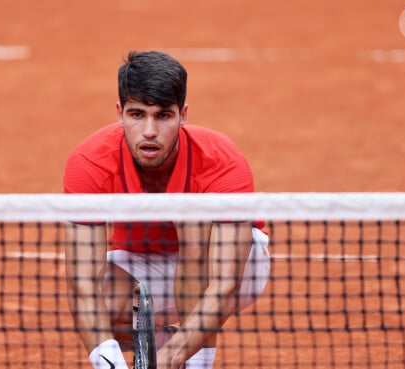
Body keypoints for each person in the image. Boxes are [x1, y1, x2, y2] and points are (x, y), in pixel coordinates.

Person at [63, 50, 270, 369]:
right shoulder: (90, 164)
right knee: (106, 300)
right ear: (119, 113)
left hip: (234, 264)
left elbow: (225, 282)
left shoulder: (221, 162)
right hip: (144, 261)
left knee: (194, 218)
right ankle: (161, 340)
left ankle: (192, 361)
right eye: (136, 115)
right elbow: (82, 282)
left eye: (162, 115)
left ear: (183, 115)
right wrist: (111, 366)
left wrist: (171, 360)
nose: (149, 131)